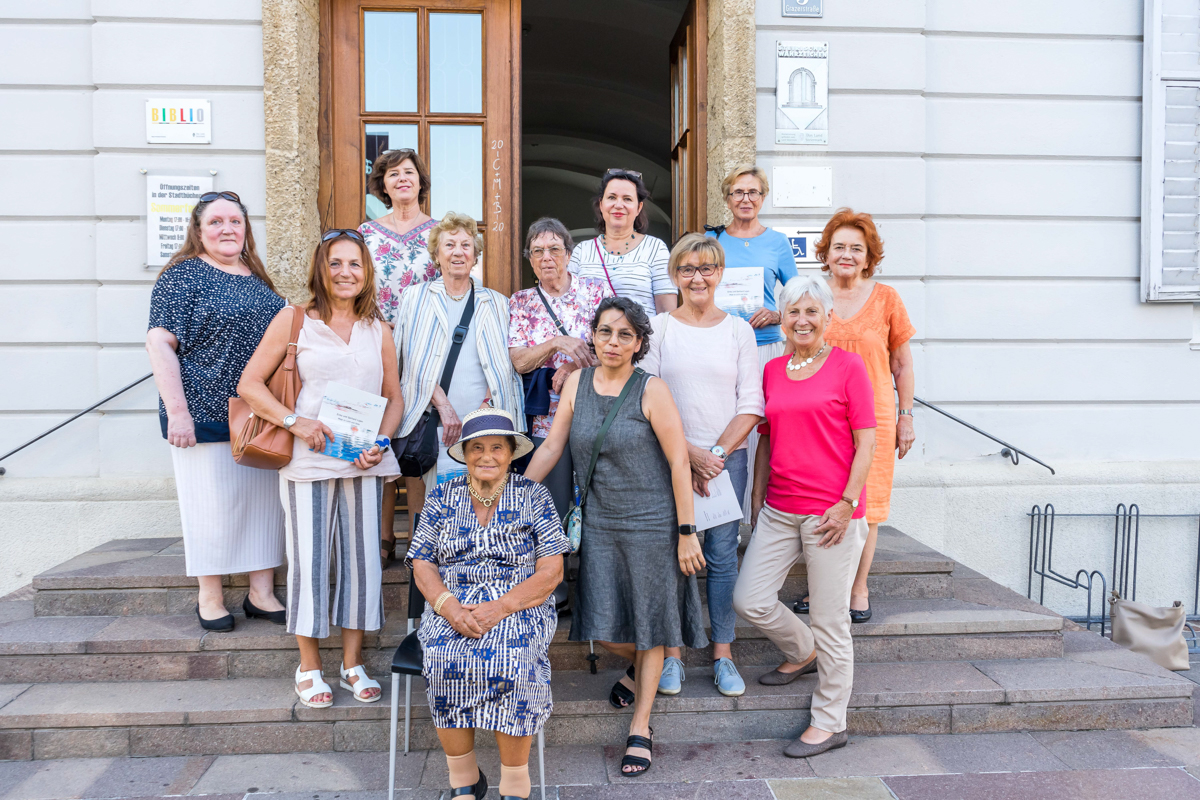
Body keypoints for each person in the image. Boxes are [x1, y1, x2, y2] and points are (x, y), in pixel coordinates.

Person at [524, 296, 706, 777]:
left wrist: (687, 532)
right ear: (594, 336)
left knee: (646, 624)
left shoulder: (652, 390)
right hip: (601, 521)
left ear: (639, 343)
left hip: (652, 523)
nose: (613, 341)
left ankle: (640, 727)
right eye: (606, 331)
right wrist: (514, 495)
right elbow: (553, 446)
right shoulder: (578, 383)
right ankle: (651, 663)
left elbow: (679, 462)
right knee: (600, 626)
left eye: (625, 334)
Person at [238, 228, 403, 709]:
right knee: (310, 563)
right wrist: (296, 421)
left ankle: (352, 663)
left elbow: (393, 397)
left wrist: (382, 441)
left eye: (354, 264)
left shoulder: (379, 329)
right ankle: (309, 667)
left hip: (363, 463)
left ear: (366, 271)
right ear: (321, 269)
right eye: (335, 263)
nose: (345, 273)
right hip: (308, 461)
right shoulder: (293, 321)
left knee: (360, 565)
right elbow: (251, 385)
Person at [732, 275, 876, 759]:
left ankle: (830, 721)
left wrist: (847, 502)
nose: (802, 320)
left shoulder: (848, 367)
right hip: (778, 507)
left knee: (832, 620)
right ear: (782, 318)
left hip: (830, 515)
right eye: (793, 311)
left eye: (812, 311)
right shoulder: (772, 370)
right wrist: (756, 496)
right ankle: (802, 651)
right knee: (749, 599)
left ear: (827, 317)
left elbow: (867, 441)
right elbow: (767, 438)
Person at [407, 408, 569, 800]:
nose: (486, 456)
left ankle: (514, 784)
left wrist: (502, 607)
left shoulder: (534, 496)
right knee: (443, 658)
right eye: (476, 447)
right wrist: (449, 607)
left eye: (497, 447)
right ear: (464, 453)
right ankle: (465, 782)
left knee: (512, 661)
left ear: (512, 453)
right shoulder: (442, 496)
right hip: (453, 601)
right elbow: (423, 562)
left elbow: (552, 572)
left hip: (520, 604)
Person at [146, 190, 287, 632]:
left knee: (264, 506)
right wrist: (177, 412)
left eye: (235, 222)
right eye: (216, 222)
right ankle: (210, 595)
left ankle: (260, 592)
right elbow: (160, 344)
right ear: (198, 230)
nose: (227, 229)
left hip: (257, 414)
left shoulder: (258, 278)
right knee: (209, 507)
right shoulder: (182, 276)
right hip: (202, 412)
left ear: (246, 229)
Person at [642, 233, 763, 698]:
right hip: (669, 461)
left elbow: (751, 403)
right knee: (676, 557)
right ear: (675, 275)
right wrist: (687, 455)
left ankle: (723, 654)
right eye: (688, 269)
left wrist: (713, 456)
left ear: (719, 274)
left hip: (725, 462)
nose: (697, 277)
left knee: (720, 559)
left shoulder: (738, 331)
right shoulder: (660, 329)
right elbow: (646, 396)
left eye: (706, 268)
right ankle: (672, 654)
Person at [794, 209, 916, 623]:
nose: (846, 255)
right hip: (820, 419)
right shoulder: (812, 295)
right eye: (839, 247)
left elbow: (902, 365)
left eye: (856, 249)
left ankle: (857, 587)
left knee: (867, 504)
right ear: (825, 253)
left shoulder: (887, 299)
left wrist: (905, 416)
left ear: (868, 258)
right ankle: (822, 590)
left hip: (874, 417)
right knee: (821, 501)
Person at [393, 211, 524, 519]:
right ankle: (425, 565)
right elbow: (405, 361)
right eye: (449, 245)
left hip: (486, 423)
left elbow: (505, 365)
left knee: (485, 505)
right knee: (435, 508)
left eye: (466, 245)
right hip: (435, 424)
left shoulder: (497, 302)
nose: (458, 252)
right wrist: (442, 404)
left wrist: (488, 408)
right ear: (437, 254)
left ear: (475, 255)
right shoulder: (416, 297)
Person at [359, 148, 439, 569]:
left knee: (417, 443)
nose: (402, 179)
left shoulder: (440, 233)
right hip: (376, 342)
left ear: (421, 181)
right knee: (381, 436)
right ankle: (383, 533)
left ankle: (419, 536)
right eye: (393, 174)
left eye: (409, 172)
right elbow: (355, 286)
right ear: (383, 185)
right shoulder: (365, 234)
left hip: (425, 348)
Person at [706, 165, 798, 520]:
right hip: (722, 345)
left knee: (763, 428)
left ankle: (759, 514)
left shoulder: (777, 242)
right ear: (727, 199)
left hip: (765, 346)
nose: (746, 199)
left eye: (753, 192)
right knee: (726, 423)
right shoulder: (714, 240)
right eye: (738, 192)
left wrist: (777, 315)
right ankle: (722, 512)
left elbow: (796, 296)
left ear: (763, 198)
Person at [508, 217, 611, 515]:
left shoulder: (595, 293)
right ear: (530, 259)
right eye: (537, 251)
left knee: (596, 505)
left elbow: (614, 349)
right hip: (546, 419)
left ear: (568, 253)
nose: (546, 257)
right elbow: (520, 361)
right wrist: (556, 343)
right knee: (550, 504)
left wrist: (571, 369)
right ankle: (556, 562)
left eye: (554, 249)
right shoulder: (521, 302)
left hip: (595, 412)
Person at [567, 169, 677, 317]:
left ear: (639, 207)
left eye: (627, 199)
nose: (618, 205)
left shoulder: (656, 249)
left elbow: (666, 314)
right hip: (590, 340)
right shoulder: (581, 251)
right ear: (601, 205)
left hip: (641, 339)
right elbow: (568, 308)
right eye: (612, 197)